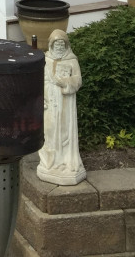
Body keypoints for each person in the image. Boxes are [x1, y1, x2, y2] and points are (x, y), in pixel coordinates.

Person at [37, 30, 86, 185]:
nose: (59, 46)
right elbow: (38, 81)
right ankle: (50, 163)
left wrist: (64, 82)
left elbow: (78, 81)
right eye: (56, 44)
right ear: (51, 44)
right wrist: (41, 97)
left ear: (66, 45)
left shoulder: (72, 61)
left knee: (65, 131)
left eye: (61, 44)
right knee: (49, 131)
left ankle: (65, 161)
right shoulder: (45, 60)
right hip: (49, 102)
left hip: (65, 102)